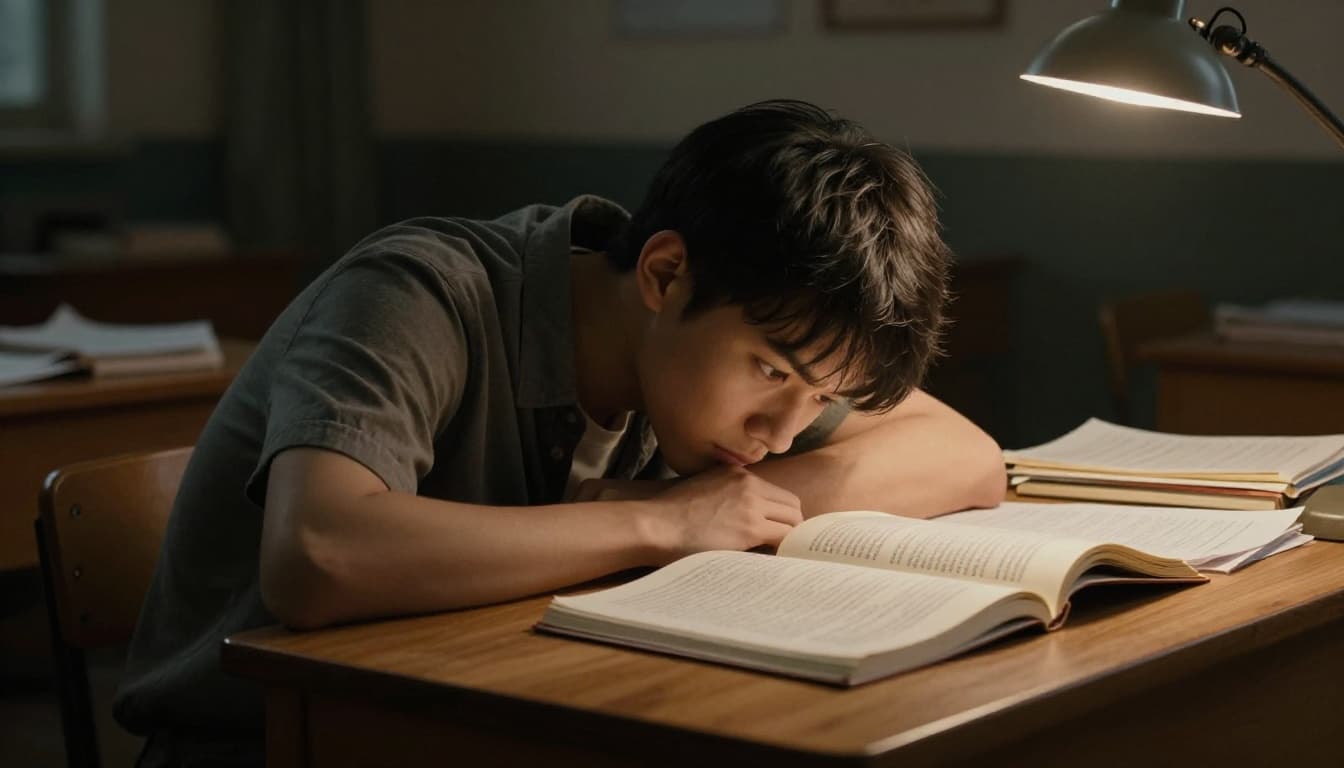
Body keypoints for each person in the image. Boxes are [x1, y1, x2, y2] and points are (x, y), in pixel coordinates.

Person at [115, 99, 1005, 766]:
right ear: (664, 275)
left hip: (488, 719)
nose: (780, 433)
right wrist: (657, 521)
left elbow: (964, 458)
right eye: (771, 374)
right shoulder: (416, 294)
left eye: (822, 399)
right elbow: (318, 557)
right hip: (269, 743)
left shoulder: (749, 354)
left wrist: (709, 502)